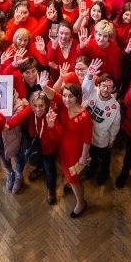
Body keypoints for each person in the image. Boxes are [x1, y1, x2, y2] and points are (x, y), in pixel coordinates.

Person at [42, 74, 92, 218]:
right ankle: (70, 184)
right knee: (68, 173)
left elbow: (87, 140)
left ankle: (81, 203)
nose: (66, 99)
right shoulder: (64, 105)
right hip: (63, 148)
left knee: (74, 179)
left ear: (77, 98)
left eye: (71, 96)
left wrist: (83, 157)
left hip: (75, 152)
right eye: (64, 96)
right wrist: (43, 86)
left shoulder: (84, 117)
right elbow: (52, 95)